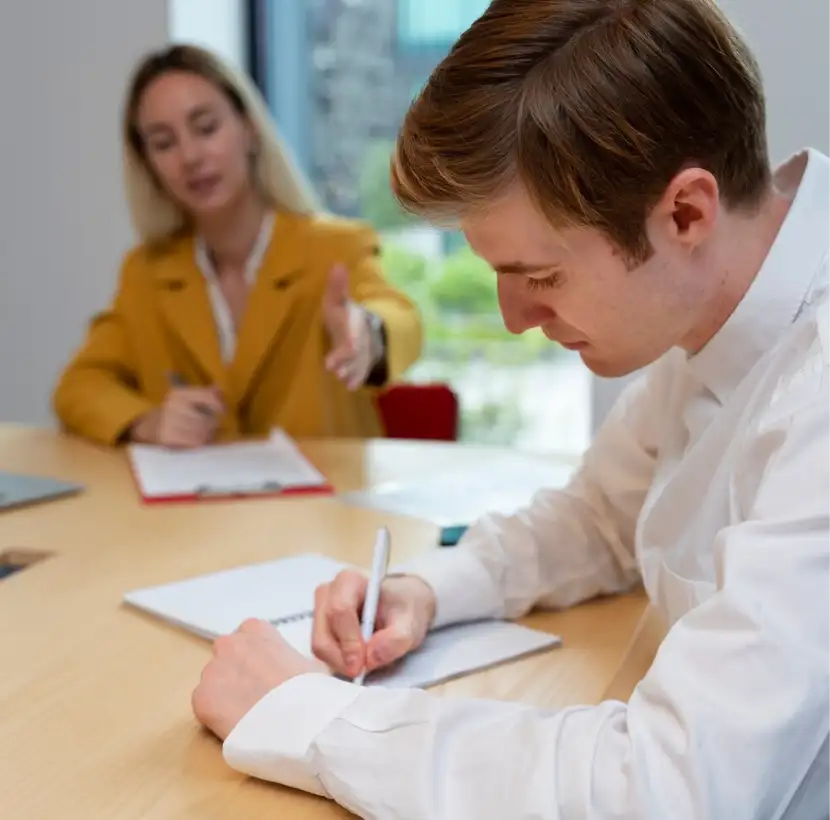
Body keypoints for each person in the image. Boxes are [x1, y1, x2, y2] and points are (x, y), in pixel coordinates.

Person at [191, 1, 830, 817]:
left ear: (685, 214)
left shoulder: (817, 392)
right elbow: (601, 519)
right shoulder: (721, 307)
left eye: (542, 276)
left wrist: (309, 715)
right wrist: (430, 589)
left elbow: (666, 789)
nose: (514, 318)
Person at [52, 44, 422, 448]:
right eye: (163, 143)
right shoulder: (146, 272)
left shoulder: (333, 247)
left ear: (248, 128)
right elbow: (78, 387)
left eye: (206, 127)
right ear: (148, 165)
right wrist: (149, 421)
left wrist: (366, 333)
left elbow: (402, 320)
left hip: (323, 507)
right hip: (197, 509)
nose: (190, 156)